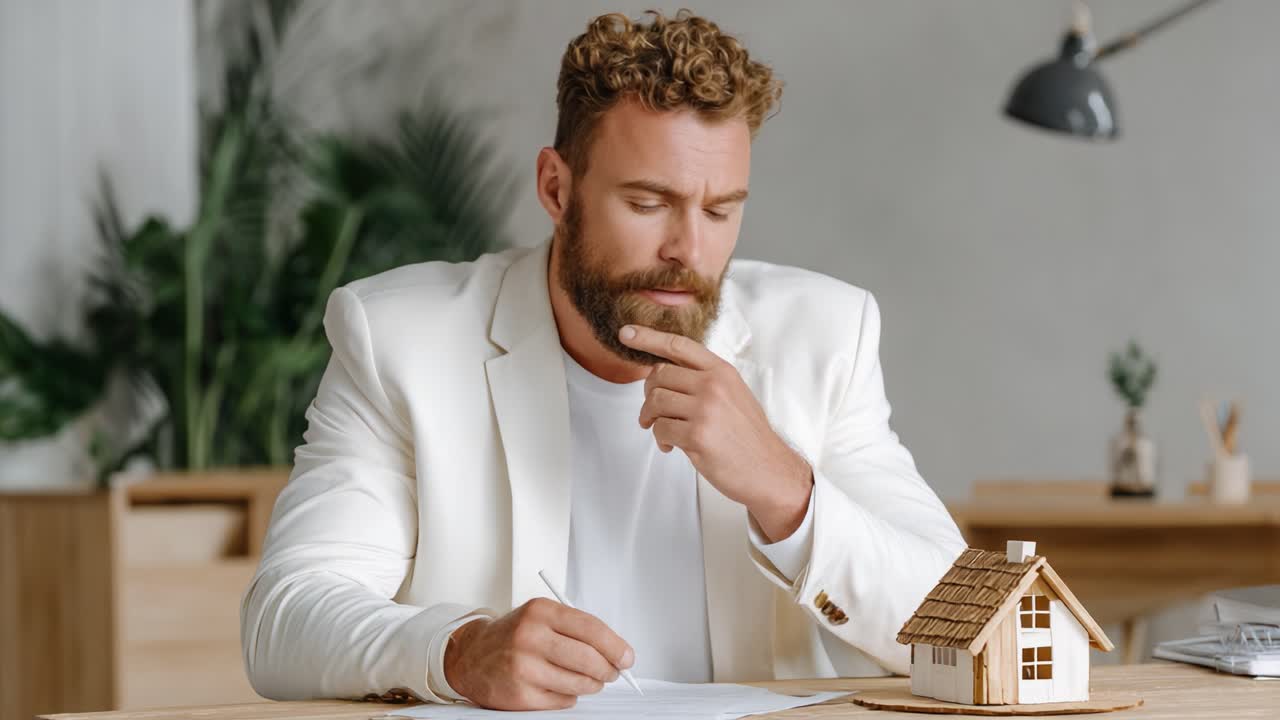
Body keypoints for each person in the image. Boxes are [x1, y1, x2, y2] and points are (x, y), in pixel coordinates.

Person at [241, 9, 965, 711]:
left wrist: (787, 490)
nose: (689, 250)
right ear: (557, 188)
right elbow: (286, 618)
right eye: (649, 203)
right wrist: (459, 652)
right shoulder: (402, 340)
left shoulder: (823, 337)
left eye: (720, 211)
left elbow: (968, 628)